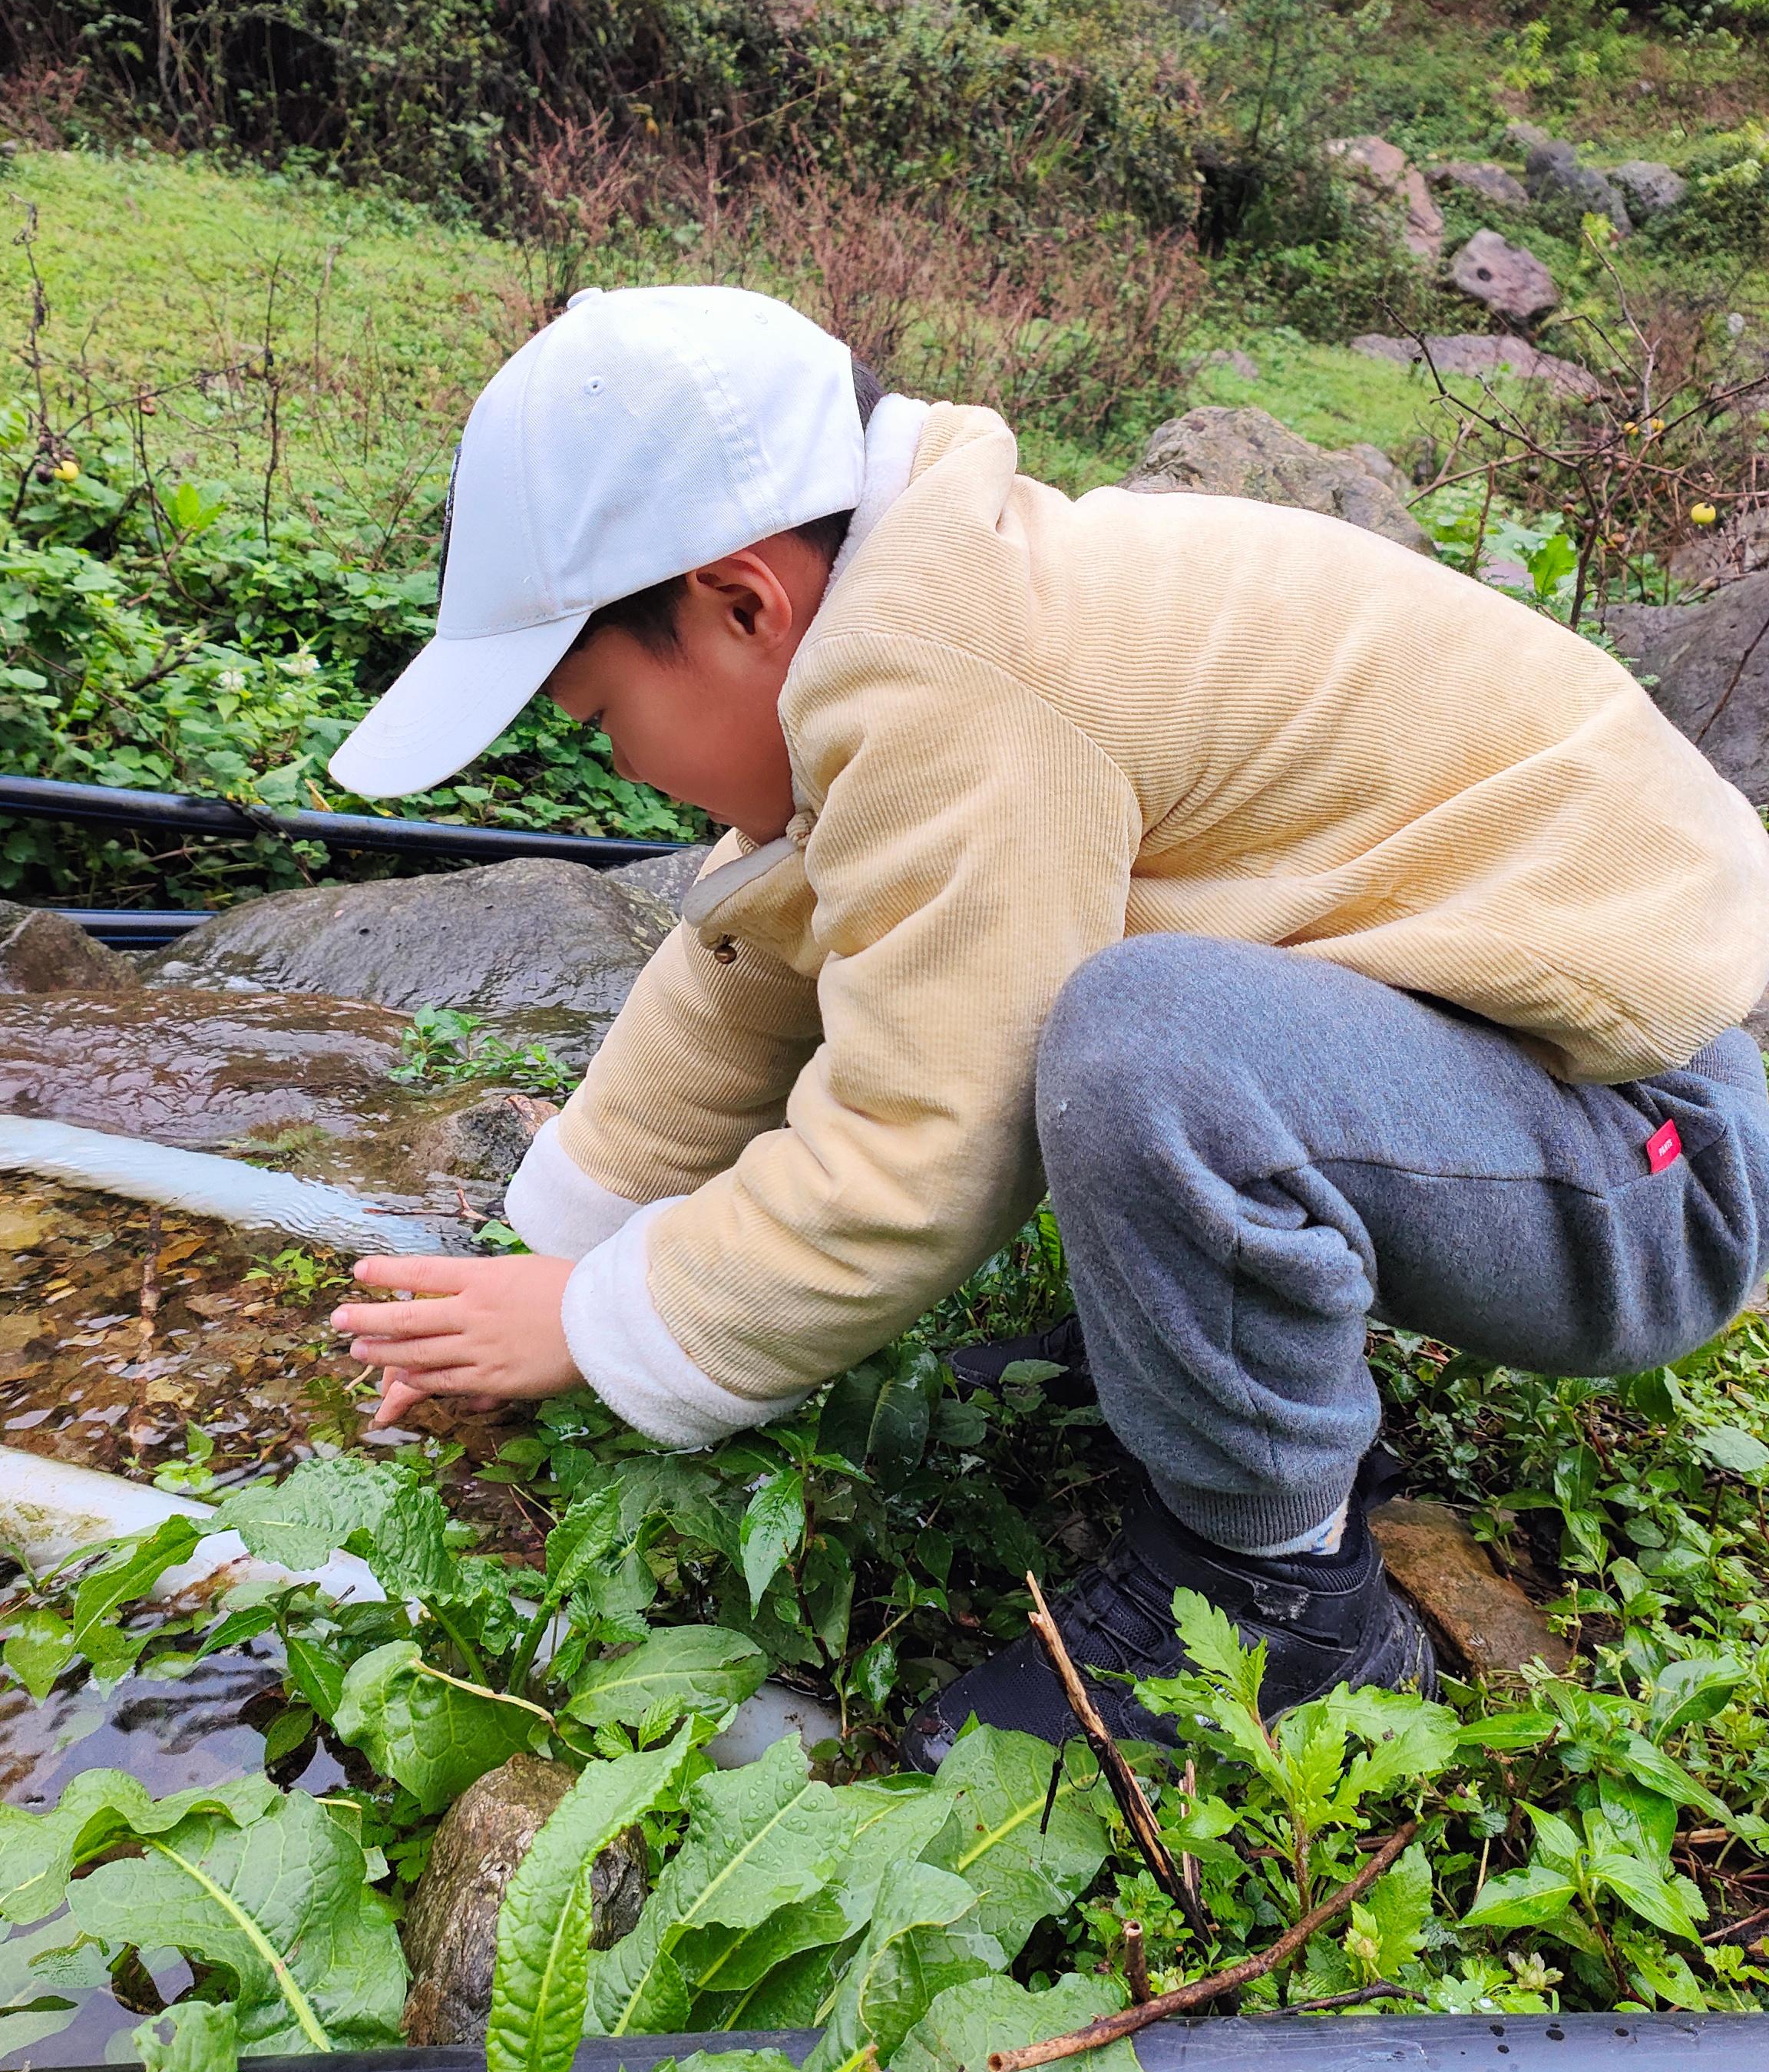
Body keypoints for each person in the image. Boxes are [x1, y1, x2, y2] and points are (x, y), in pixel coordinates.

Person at [327, 284, 1769, 1764]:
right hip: (1496, 1078)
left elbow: (920, 1148)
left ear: (744, 603)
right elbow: (747, 959)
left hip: (1651, 1155)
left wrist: (596, 1321)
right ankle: (1209, 1354)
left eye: (599, 718)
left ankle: (1278, 1594)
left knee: (1142, 1044)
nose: (624, 768)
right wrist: (560, 1250)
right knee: (1125, 1032)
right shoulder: (908, 626)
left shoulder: (961, 684)